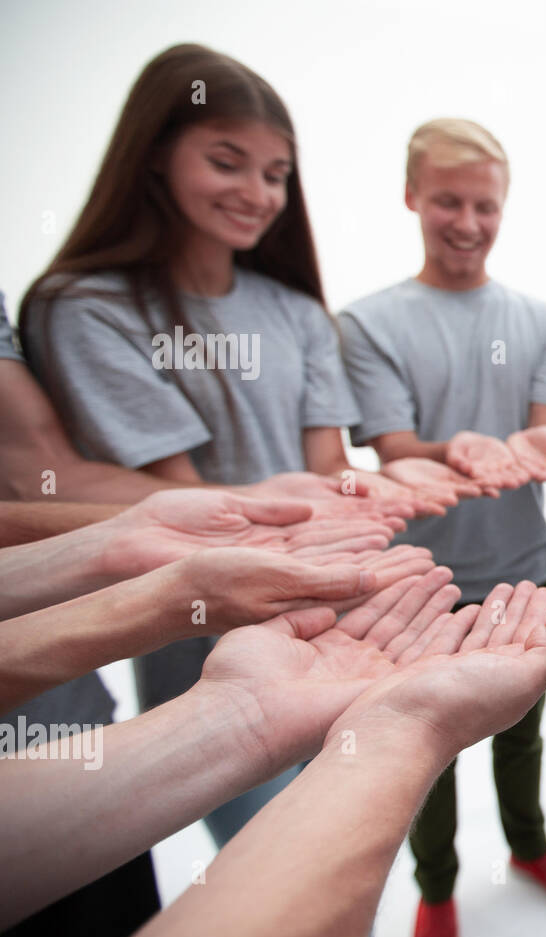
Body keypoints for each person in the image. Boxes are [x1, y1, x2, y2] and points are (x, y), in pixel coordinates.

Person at [14, 44, 475, 862]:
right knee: (276, 850)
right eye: (228, 162)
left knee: (353, 840)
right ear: (155, 155)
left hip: (347, 604)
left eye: (275, 175)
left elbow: (329, 464)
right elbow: (174, 496)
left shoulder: (296, 310)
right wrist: (303, 507)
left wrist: (389, 478)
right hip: (202, 632)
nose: (258, 194)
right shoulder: (85, 308)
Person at [338, 117, 546, 937]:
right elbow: (392, 447)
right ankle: (438, 889)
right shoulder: (369, 323)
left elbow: (545, 429)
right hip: (415, 580)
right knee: (425, 746)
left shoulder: (543, 320)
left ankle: (526, 848)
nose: (467, 221)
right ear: (412, 196)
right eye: (447, 200)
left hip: (523, 571)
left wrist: (540, 444)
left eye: (485, 205)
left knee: (522, 730)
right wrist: (447, 450)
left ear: (504, 207)